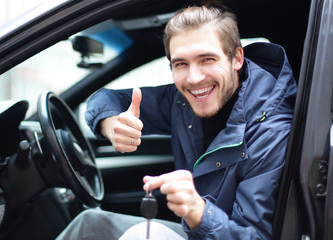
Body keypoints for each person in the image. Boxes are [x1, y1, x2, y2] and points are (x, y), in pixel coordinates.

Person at [56, 5, 297, 240]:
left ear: (236, 58)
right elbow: (104, 99)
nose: (194, 78)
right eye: (181, 64)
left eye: (207, 59)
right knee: (90, 223)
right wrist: (111, 125)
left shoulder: (271, 132)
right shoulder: (181, 101)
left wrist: (198, 212)